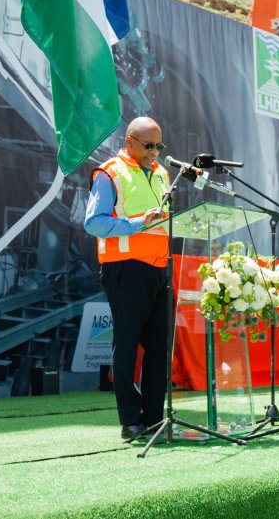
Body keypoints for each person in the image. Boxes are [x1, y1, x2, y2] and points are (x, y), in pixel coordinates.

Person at [84, 117, 173, 441]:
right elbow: (93, 223)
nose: (154, 152)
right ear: (130, 141)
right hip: (125, 267)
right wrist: (138, 222)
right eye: (148, 146)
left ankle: (154, 419)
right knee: (127, 345)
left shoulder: (163, 174)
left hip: (159, 268)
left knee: (160, 349)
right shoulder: (110, 173)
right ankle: (130, 421)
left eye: (158, 146)